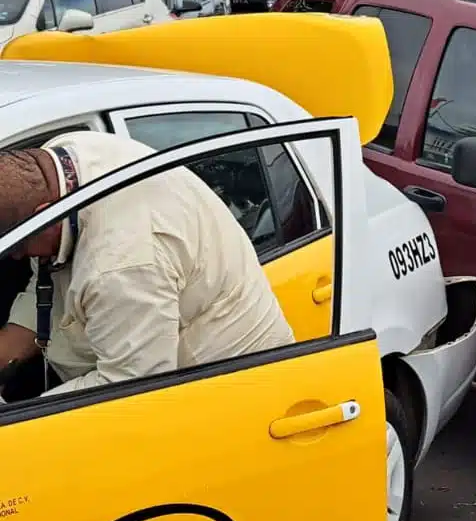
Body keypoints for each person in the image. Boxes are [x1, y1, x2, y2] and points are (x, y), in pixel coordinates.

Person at [0, 130, 294, 401]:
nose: (15, 257)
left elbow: (127, 387)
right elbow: (47, 282)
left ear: (46, 215)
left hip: (227, 394)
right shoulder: (56, 164)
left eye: (17, 246)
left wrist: (16, 419)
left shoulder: (122, 264)